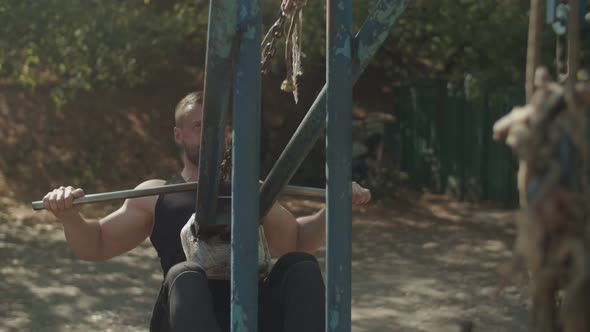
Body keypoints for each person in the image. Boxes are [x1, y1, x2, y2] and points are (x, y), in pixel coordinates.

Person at [42, 91, 372, 332]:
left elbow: (298, 238)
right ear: (179, 134)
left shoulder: (251, 189)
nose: (213, 136)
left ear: (229, 133)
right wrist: (70, 215)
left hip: (250, 313)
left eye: (219, 127)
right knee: (185, 276)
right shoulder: (156, 193)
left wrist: (337, 206)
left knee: (300, 265)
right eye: (200, 127)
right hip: (186, 314)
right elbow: (96, 243)